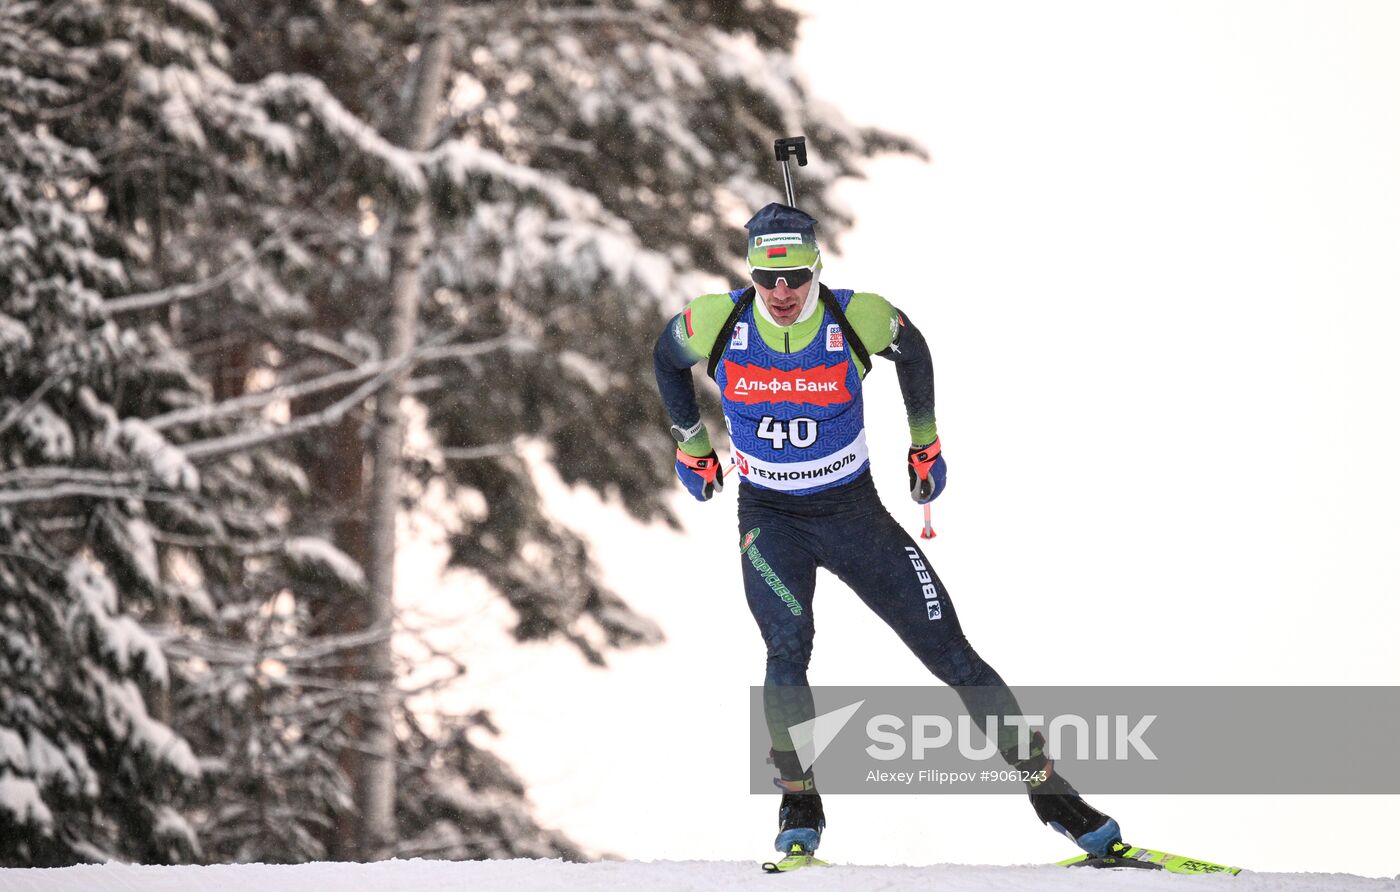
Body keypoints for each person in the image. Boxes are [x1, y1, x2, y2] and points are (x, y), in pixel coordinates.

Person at [651, 203, 1121, 866]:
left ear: (816, 268)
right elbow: (665, 359)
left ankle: (1056, 799)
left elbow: (915, 349)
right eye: (767, 279)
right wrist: (691, 445)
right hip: (771, 518)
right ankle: (800, 803)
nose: (781, 294)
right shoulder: (716, 321)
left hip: (854, 516)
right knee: (787, 649)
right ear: (751, 272)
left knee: (952, 655)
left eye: (794, 279)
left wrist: (924, 444)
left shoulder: (856, 316)